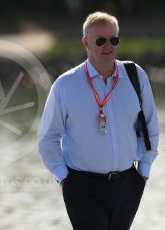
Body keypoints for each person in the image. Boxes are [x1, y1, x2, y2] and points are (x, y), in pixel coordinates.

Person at [38, 11, 159, 230]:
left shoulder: (135, 75)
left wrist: (144, 171)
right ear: (86, 42)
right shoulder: (66, 85)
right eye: (101, 40)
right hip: (82, 187)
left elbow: (150, 127)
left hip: (128, 184)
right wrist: (64, 179)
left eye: (113, 39)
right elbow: (47, 138)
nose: (108, 45)